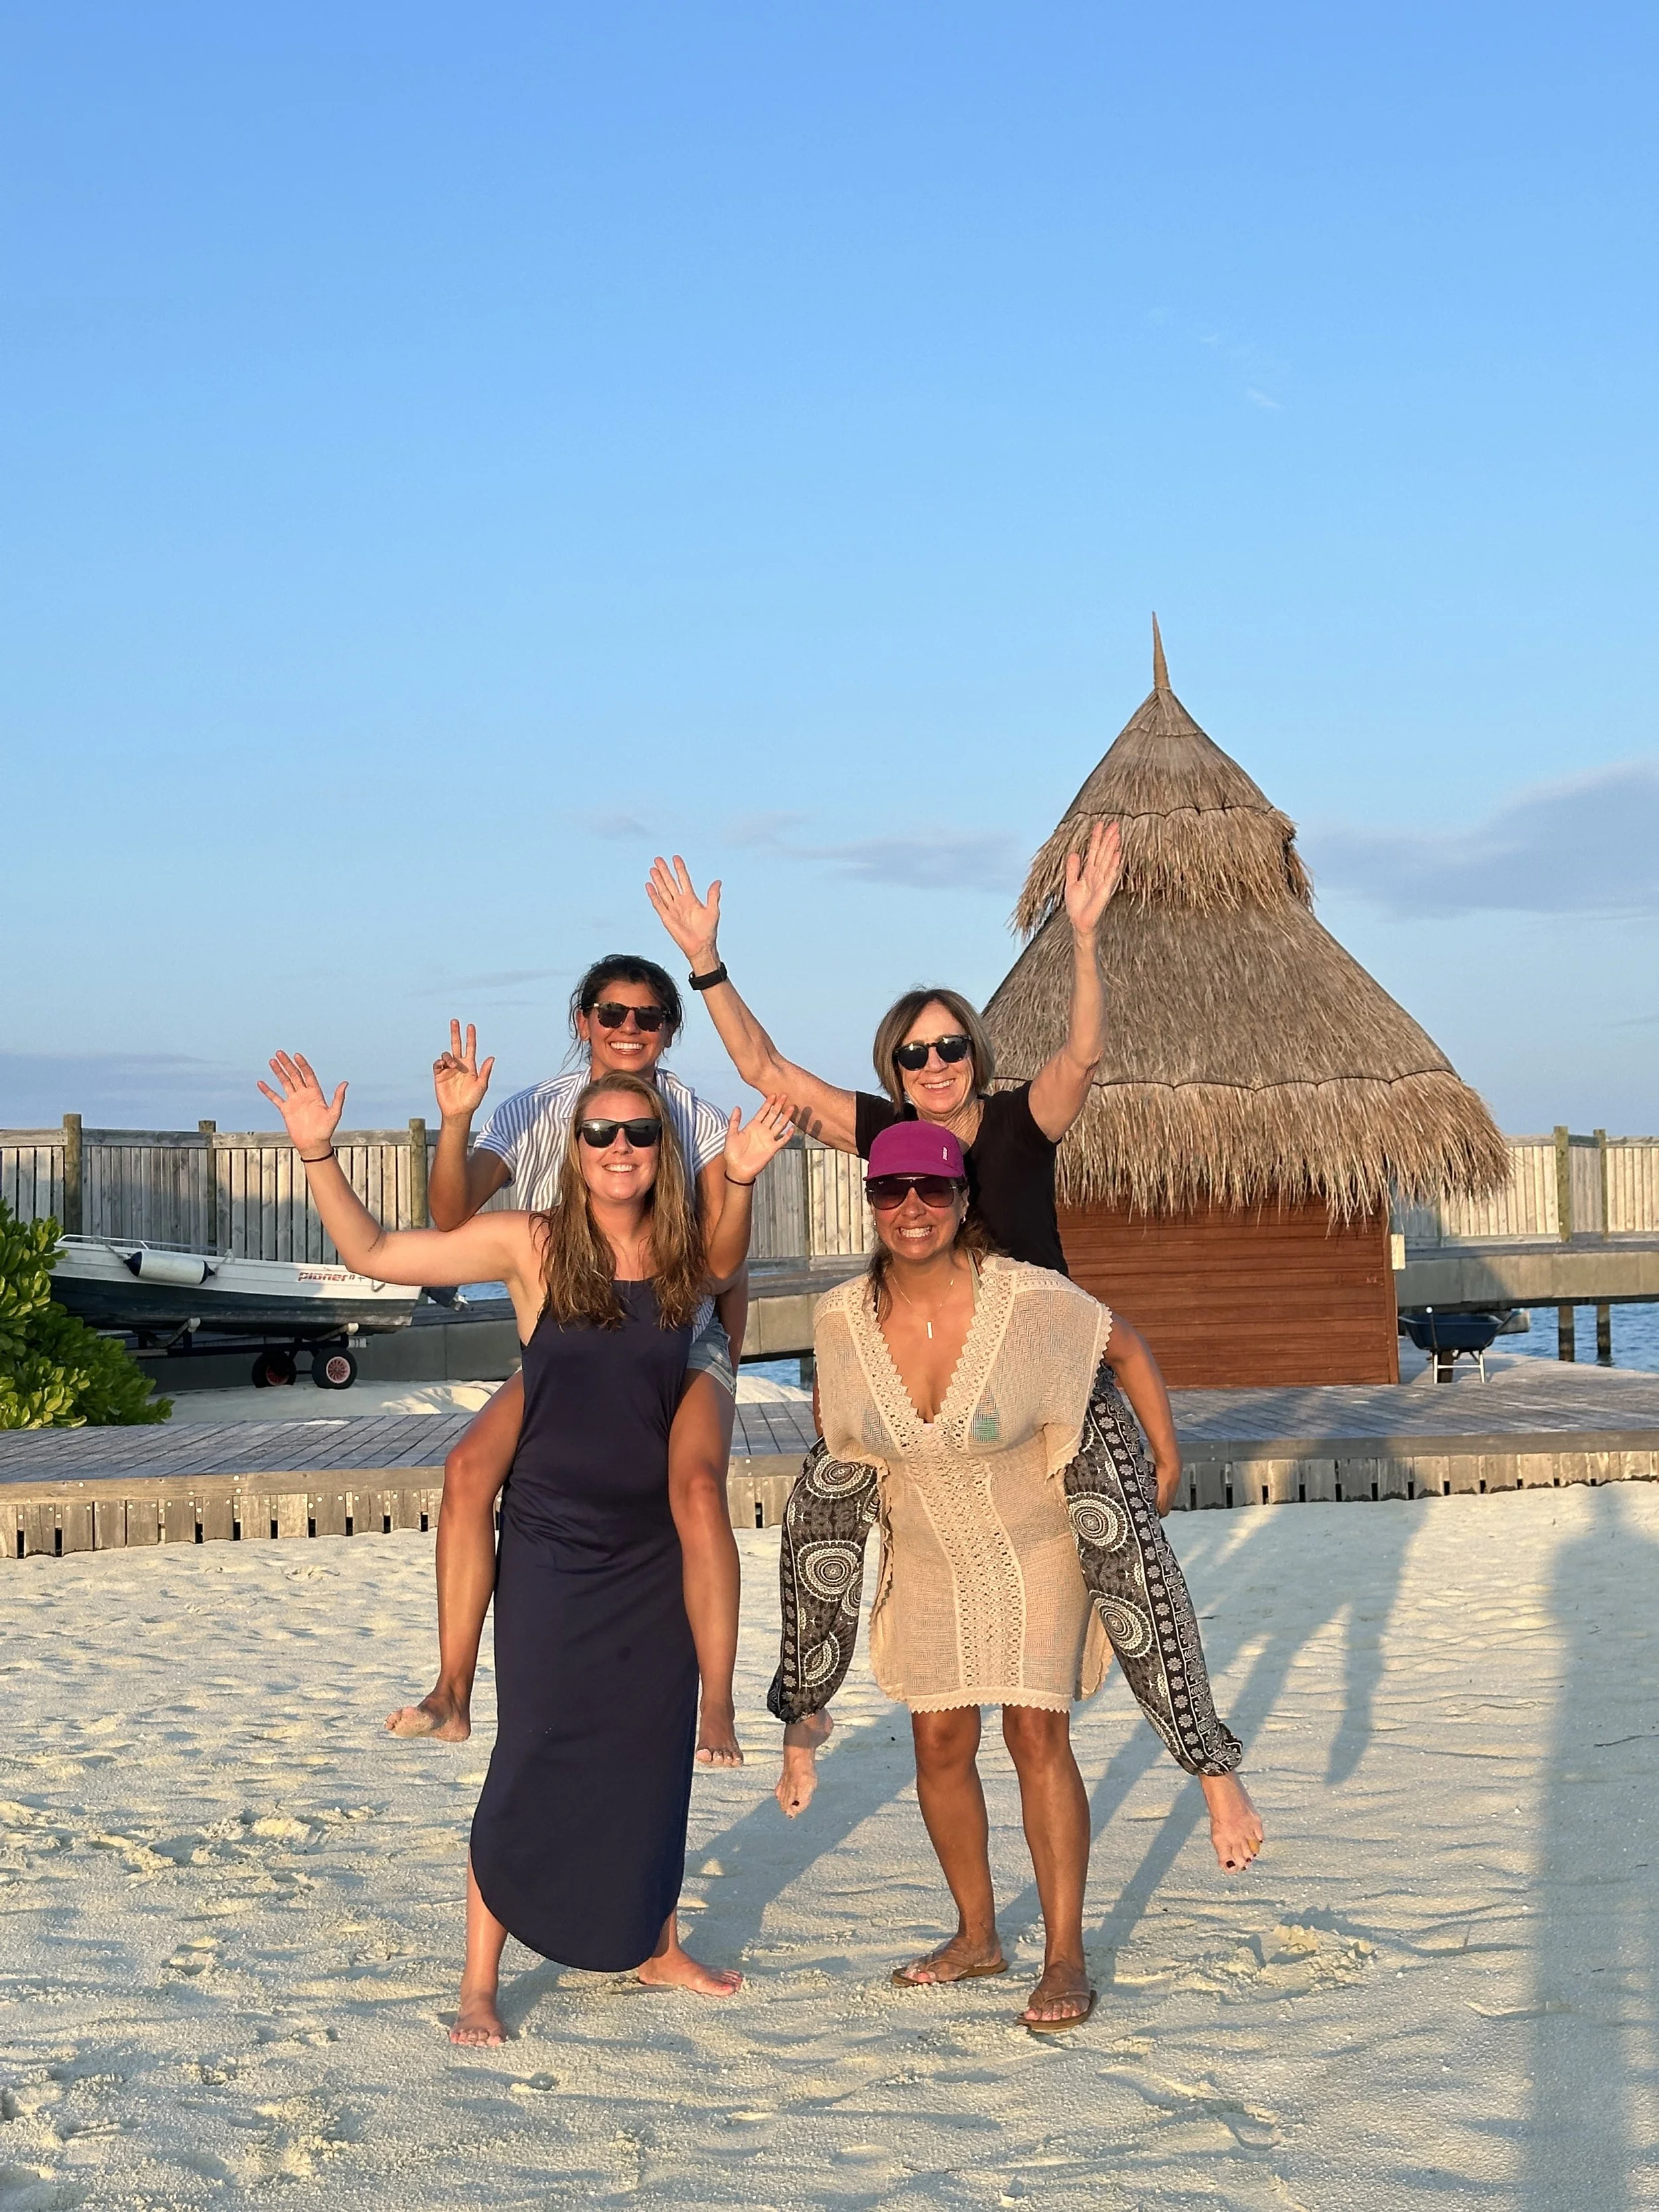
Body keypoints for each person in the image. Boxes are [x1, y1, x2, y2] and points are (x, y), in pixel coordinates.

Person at [259, 1049, 794, 2042]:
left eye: (640, 1133)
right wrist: (319, 1155)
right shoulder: (531, 1244)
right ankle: (478, 1980)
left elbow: (729, 1259)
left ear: (661, 1151)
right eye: (601, 1133)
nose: (621, 1148)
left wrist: (749, 1170)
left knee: (650, 1753)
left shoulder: (682, 1257)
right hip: (551, 1536)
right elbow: (377, 1252)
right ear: (577, 1151)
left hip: (649, 1549)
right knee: (533, 1752)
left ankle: (654, 1940)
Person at [766, 1124, 1260, 2034]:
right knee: (939, 1749)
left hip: (1036, 1544)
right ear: (870, 1202)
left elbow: (1126, 1350)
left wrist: (1165, 1449)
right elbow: (838, 1442)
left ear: (962, 1201)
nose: (911, 1208)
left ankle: (1064, 1950)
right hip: (924, 1553)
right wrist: (805, 1697)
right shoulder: (837, 1317)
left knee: (1037, 1738)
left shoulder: (1032, 1300)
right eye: (891, 1191)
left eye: (932, 1189)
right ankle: (977, 1936)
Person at [386, 954, 748, 1771]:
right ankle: (451, 1689)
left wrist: (728, 1347)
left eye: (648, 1017)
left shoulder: (702, 1121)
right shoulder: (534, 1110)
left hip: (677, 1333)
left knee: (692, 1488)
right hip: (575, 1334)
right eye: (611, 1013)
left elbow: (728, 1261)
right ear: (582, 1019)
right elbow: (450, 1214)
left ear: (669, 1030)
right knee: (467, 1466)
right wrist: (452, 1122)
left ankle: (716, 1702)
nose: (629, 1029)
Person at [646, 824, 1121, 1270]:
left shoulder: (1022, 1122)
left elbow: (1082, 1056)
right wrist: (705, 961)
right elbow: (764, 1069)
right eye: (913, 1054)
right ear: (896, 1071)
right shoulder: (890, 1133)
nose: (934, 1064)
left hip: (1040, 1341)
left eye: (950, 1047)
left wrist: (1084, 936)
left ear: (974, 1054)